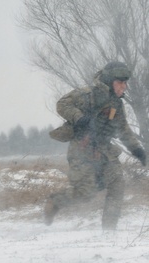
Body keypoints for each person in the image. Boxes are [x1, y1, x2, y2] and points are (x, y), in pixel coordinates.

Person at [45, 61, 146, 230]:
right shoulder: (87, 95)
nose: (124, 86)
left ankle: (109, 232)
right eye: (120, 82)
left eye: (125, 82)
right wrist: (79, 118)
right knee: (85, 192)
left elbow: (123, 128)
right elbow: (62, 104)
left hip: (105, 150)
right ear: (109, 81)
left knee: (117, 183)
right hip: (81, 149)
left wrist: (136, 149)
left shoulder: (116, 104)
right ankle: (55, 201)